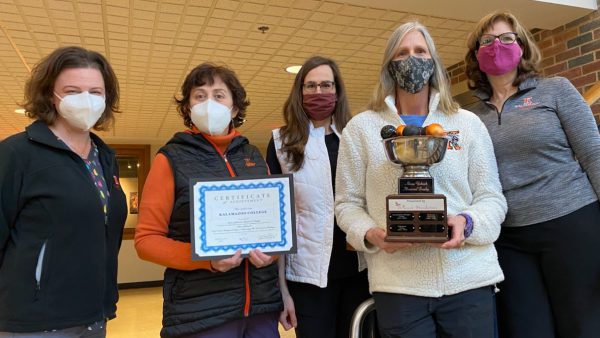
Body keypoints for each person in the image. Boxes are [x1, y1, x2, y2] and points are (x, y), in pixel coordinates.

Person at [334, 21, 508, 338]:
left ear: (434, 63)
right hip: (399, 286)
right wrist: (371, 233)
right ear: (389, 64)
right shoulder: (361, 129)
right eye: (402, 52)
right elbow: (347, 204)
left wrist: (466, 223)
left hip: (468, 278)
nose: (412, 58)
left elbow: (492, 198)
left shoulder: (466, 123)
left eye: (420, 51)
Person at [464, 11, 600, 338]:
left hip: (572, 223)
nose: (497, 45)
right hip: (511, 237)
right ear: (476, 53)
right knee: (527, 328)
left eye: (507, 38)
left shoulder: (555, 90)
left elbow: (593, 152)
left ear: (522, 47)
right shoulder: (470, 117)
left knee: (582, 326)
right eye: (487, 41)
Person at [134, 63, 282, 338]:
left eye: (219, 95)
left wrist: (273, 251)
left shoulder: (253, 155)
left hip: (261, 307)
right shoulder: (170, 159)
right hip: (202, 312)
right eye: (199, 96)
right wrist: (206, 260)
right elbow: (146, 241)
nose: (209, 103)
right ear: (188, 107)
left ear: (235, 108)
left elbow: (273, 228)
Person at [0, 46, 127, 337]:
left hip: (95, 315)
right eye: (72, 91)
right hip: (35, 321)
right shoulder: (17, 154)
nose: (86, 100)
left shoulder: (105, 159)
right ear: (50, 96)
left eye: (95, 92)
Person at [265, 56, 370, 338]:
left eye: (326, 84)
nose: (319, 92)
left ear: (338, 91)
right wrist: (282, 290)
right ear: (299, 93)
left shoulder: (355, 136)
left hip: (359, 270)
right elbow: (278, 222)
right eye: (310, 86)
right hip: (307, 278)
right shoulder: (281, 143)